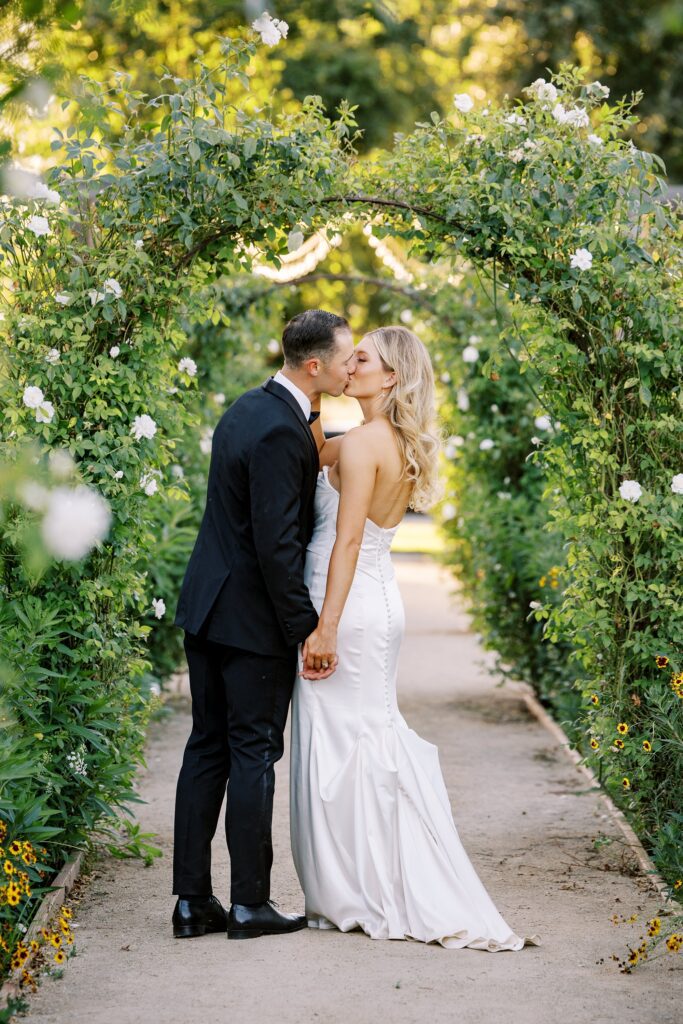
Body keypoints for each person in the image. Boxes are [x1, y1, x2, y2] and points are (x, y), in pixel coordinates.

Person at [291, 325, 540, 950]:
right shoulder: (387, 442)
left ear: (391, 376)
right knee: (361, 744)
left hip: (346, 607)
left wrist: (325, 626)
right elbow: (315, 449)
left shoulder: (361, 447)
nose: (350, 364)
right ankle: (361, 882)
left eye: (363, 359)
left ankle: (359, 890)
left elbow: (346, 539)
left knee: (344, 748)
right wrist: (318, 401)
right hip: (378, 603)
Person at [171, 309, 354, 940]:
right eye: (344, 357)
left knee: (206, 750)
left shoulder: (248, 408)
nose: (350, 365)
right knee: (253, 753)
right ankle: (249, 902)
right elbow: (278, 547)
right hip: (251, 623)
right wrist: (308, 627)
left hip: (208, 609)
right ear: (314, 365)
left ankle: (192, 902)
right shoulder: (280, 430)